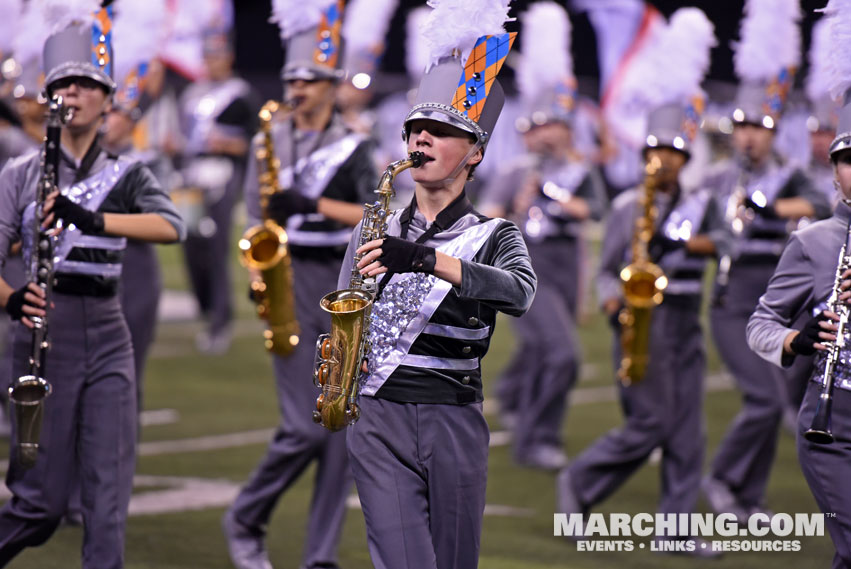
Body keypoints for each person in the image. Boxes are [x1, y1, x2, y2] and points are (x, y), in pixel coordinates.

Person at [339, 4, 534, 566]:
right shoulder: (375, 226)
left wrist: (426, 260)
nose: (421, 140)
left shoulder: (497, 233)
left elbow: (519, 293)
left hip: (453, 418)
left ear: (474, 153)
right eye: (415, 130)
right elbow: (345, 311)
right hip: (377, 418)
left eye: (441, 132)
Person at [0, 5, 185, 568]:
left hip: (108, 332)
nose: (74, 93)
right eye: (63, 84)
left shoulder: (128, 174)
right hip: (42, 335)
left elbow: (170, 227)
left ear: (106, 100)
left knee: (108, 500)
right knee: (39, 504)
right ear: (48, 97)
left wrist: (93, 219)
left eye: (86, 84)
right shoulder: (21, 173)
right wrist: (10, 298)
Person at [556, 8, 723, 555]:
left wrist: (685, 244)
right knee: (649, 424)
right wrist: (613, 305)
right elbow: (607, 271)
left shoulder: (702, 204)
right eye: (655, 152)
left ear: (684, 157)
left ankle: (675, 530)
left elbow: (730, 244)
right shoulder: (630, 204)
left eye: (673, 154)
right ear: (645, 153)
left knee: (689, 433)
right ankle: (578, 484)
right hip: (638, 324)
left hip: (685, 323)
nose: (663, 162)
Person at [221, 2, 376, 569]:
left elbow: (371, 214)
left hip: (338, 277)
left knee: (338, 421)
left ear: (333, 84)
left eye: (309, 78)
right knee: (302, 427)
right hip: (287, 278)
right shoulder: (272, 137)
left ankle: (320, 555)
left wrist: (312, 203)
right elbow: (251, 214)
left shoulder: (355, 146)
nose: (297, 87)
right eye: (291, 77)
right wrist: (257, 272)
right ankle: (245, 517)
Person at [701, 0, 832, 523]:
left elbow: (822, 207)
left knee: (775, 401)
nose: (750, 135)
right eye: (742, 126)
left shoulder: (788, 174)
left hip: (776, 299)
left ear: (775, 131)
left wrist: (768, 207)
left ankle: (746, 499)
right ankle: (722, 482)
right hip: (733, 301)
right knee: (762, 400)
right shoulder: (714, 178)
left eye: (759, 126)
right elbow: (700, 229)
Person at [479, 1, 606, 470]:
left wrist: (551, 193)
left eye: (551, 124)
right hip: (522, 264)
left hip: (562, 263)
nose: (544, 134)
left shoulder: (578, 171)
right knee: (562, 355)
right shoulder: (515, 171)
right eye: (536, 127)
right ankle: (537, 434)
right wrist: (513, 205)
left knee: (544, 348)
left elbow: (591, 211)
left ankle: (515, 404)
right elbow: (489, 216)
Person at [177, 23, 258, 354]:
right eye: (208, 56)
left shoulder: (241, 93)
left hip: (222, 174)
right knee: (190, 244)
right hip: (190, 174)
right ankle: (206, 307)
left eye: (218, 55)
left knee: (216, 247)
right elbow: (184, 137)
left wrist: (230, 145)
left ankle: (220, 321)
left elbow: (256, 140)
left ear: (229, 57)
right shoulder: (191, 94)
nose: (212, 62)